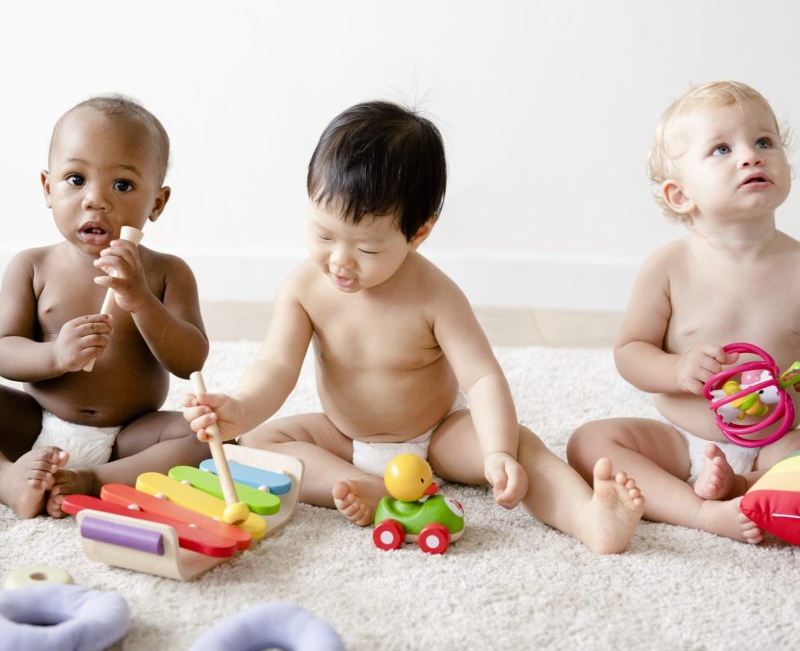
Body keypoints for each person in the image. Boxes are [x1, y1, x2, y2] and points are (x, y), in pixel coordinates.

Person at [184, 101, 644, 554]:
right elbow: (276, 364)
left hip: (437, 436)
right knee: (260, 442)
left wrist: (498, 451)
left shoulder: (435, 295)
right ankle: (368, 487)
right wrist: (242, 407)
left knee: (521, 445)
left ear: (418, 232)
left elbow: (482, 377)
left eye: (366, 248)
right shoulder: (303, 289)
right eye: (324, 235)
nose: (339, 260)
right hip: (345, 438)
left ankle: (590, 518)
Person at [567, 80, 800, 543]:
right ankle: (700, 511)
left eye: (763, 141)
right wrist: (677, 370)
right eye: (721, 149)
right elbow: (631, 352)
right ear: (680, 195)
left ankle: (745, 488)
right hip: (686, 437)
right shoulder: (669, 267)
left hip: (780, 440)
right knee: (588, 444)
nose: (750, 156)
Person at [0, 96, 210, 519]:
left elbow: (190, 363)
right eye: (75, 179)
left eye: (122, 185)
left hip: (129, 438)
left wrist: (140, 300)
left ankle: (95, 480)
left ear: (157, 203)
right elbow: (4, 348)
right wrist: (55, 355)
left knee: (206, 435)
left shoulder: (169, 273)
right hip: (36, 422)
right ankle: (8, 479)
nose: (96, 199)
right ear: (47, 188)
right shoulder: (32, 266)